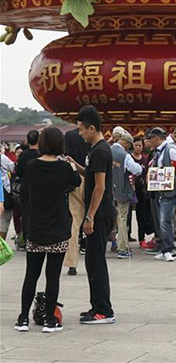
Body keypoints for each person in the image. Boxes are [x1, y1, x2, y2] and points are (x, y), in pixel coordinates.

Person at [14, 127, 81, 333]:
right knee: (53, 276)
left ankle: (23, 318)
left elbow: (24, 194)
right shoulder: (64, 167)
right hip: (58, 227)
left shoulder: (32, 166)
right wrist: (72, 166)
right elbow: (76, 182)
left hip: (35, 226)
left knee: (31, 275)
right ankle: (50, 319)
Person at [64, 105, 115, 324]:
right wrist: (75, 165)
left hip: (100, 214)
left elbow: (100, 187)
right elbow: (91, 175)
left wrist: (90, 216)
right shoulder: (94, 150)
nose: (80, 134)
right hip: (96, 213)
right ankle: (96, 306)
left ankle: (104, 310)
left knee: (96, 262)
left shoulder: (101, 150)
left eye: (82, 130)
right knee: (92, 262)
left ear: (92, 128)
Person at [147, 127, 176, 262]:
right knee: (161, 221)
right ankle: (164, 248)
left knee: (165, 220)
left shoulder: (170, 150)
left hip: (169, 192)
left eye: (151, 139)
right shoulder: (158, 152)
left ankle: (169, 249)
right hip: (159, 192)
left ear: (157, 138)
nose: (149, 142)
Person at [111, 132, 143, 259]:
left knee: (107, 219)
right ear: (126, 143)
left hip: (106, 191)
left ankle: (105, 245)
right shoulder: (125, 156)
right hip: (121, 191)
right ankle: (122, 248)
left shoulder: (106, 150)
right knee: (122, 218)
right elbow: (136, 170)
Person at [63, 126, 89, 276]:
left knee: (74, 220)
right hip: (91, 177)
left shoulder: (69, 135)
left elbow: (66, 155)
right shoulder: (93, 133)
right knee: (93, 216)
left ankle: (72, 263)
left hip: (75, 178)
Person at [12, 130, 40, 250]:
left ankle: (27, 240)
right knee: (38, 214)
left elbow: (18, 173)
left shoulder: (23, 155)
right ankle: (38, 239)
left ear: (28, 141)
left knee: (25, 215)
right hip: (39, 189)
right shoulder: (41, 154)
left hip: (25, 189)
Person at [131, 136, 153, 249]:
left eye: (140, 145)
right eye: (136, 145)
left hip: (142, 191)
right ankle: (125, 237)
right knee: (126, 215)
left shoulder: (145, 160)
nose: (138, 147)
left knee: (142, 215)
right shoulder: (129, 158)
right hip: (130, 190)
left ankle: (141, 238)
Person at [0, 145, 15, 240]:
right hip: (4, 192)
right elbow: (13, 168)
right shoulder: (2, 158)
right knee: (4, 219)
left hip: (3, 192)